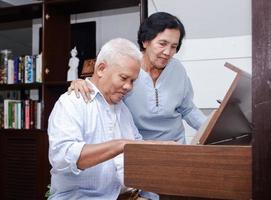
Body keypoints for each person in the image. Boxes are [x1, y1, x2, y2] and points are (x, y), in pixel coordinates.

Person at [68, 12, 207, 199]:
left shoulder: (178, 69)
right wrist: (82, 83)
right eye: (162, 44)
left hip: (174, 151)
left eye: (174, 46)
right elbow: (104, 90)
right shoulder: (127, 70)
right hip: (139, 153)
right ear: (145, 42)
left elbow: (188, 108)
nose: (168, 52)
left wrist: (210, 129)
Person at [48, 38, 171, 200]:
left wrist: (147, 195)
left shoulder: (123, 110)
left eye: (132, 81)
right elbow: (63, 158)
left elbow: (140, 159)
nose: (129, 87)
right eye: (123, 78)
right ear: (101, 69)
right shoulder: (72, 102)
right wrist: (121, 145)